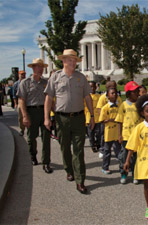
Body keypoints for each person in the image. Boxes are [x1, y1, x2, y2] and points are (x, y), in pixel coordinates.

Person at [44, 49, 95, 194]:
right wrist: (47, 118)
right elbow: (48, 98)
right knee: (65, 148)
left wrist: (92, 116)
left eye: (74, 60)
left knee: (78, 151)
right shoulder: (55, 77)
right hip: (61, 119)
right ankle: (69, 169)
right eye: (69, 59)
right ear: (63, 61)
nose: (72, 62)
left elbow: (87, 98)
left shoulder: (81, 78)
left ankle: (80, 181)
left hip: (78, 118)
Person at [17, 58, 52, 173]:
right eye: (38, 66)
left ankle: (46, 162)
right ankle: (32, 155)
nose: (40, 69)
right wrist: (25, 116)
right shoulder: (25, 83)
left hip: (44, 111)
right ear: (32, 68)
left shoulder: (45, 82)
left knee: (46, 137)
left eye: (42, 67)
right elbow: (22, 100)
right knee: (31, 137)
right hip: (31, 111)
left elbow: (50, 99)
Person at [115, 81, 143, 184]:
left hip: (138, 136)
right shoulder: (124, 105)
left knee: (137, 156)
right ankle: (123, 173)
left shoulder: (140, 105)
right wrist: (119, 135)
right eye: (134, 91)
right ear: (128, 93)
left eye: (137, 91)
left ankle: (135, 174)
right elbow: (119, 121)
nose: (137, 93)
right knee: (124, 156)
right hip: (126, 136)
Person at [96, 81, 122, 158]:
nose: (113, 88)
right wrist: (103, 118)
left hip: (116, 121)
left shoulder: (118, 97)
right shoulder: (103, 97)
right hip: (106, 121)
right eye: (111, 87)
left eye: (114, 87)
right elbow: (99, 108)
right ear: (107, 88)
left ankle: (117, 152)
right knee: (104, 136)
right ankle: (102, 149)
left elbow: (121, 108)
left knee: (116, 137)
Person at [99, 88, 121, 174]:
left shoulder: (119, 107)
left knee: (119, 151)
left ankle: (122, 166)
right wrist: (110, 120)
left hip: (117, 132)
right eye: (112, 93)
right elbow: (101, 120)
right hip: (108, 133)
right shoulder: (105, 108)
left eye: (115, 93)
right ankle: (105, 167)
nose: (114, 95)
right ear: (107, 96)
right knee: (107, 151)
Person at [85, 81, 101, 153]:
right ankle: (92, 145)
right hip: (89, 117)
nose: (92, 88)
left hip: (97, 118)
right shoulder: (86, 97)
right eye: (90, 87)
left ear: (96, 87)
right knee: (90, 133)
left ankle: (98, 143)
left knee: (98, 133)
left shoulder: (99, 96)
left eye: (93, 87)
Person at [13, 70, 26, 136]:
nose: (23, 75)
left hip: (27, 101)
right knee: (20, 117)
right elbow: (14, 95)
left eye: (24, 74)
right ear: (18, 75)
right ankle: (22, 129)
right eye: (21, 74)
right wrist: (15, 103)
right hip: (20, 100)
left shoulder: (27, 82)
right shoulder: (16, 84)